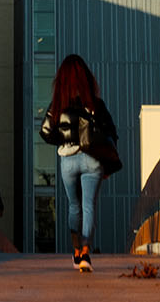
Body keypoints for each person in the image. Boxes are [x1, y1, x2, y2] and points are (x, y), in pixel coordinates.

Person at [39, 54, 120, 273]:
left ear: (62, 79)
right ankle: (85, 253)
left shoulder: (58, 105)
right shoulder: (95, 104)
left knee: (74, 206)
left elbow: (45, 131)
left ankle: (75, 252)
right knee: (88, 206)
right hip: (93, 159)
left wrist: (64, 141)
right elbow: (112, 132)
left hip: (68, 160)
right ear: (86, 77)